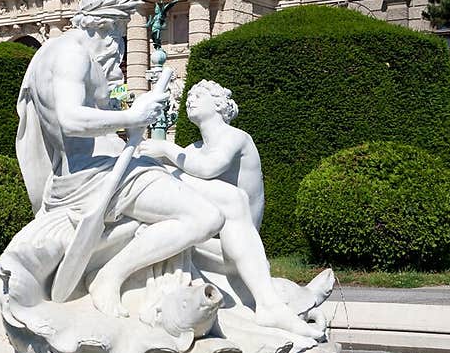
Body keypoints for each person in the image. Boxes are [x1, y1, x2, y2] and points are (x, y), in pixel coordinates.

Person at [7, 0, 318, 337]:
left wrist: (128, 115)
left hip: (117, 167)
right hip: (95, 178)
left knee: (233, 200)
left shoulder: (61, 51)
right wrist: (132, 118)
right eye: (121, 29)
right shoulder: (72, 54)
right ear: (105, 24)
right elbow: (70, 119)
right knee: (205, 216)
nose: (120, 44)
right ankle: (111, 276)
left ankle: (269, 306)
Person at [139, 80, 333, 319]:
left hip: (238, 240)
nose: (191, 99)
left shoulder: (236, 137)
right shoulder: (194, 148)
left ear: (219, 104)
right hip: (209, 235)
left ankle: (294, 300)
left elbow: (209, 167)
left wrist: (166, 149)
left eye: (199, 95)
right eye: (189, 96)